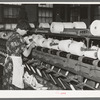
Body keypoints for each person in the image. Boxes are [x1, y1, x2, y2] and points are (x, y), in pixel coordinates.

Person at [2, 20, 35, 90]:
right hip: (15, 64)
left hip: (8, 62)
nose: (26, 32)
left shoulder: (12, 35)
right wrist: (31, 46)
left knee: (8, 82)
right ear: (22, 29)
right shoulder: (20, 38)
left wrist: (26, 46)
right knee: (15, 85)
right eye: (26, 30)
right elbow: (26, 54)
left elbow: (16, 48)